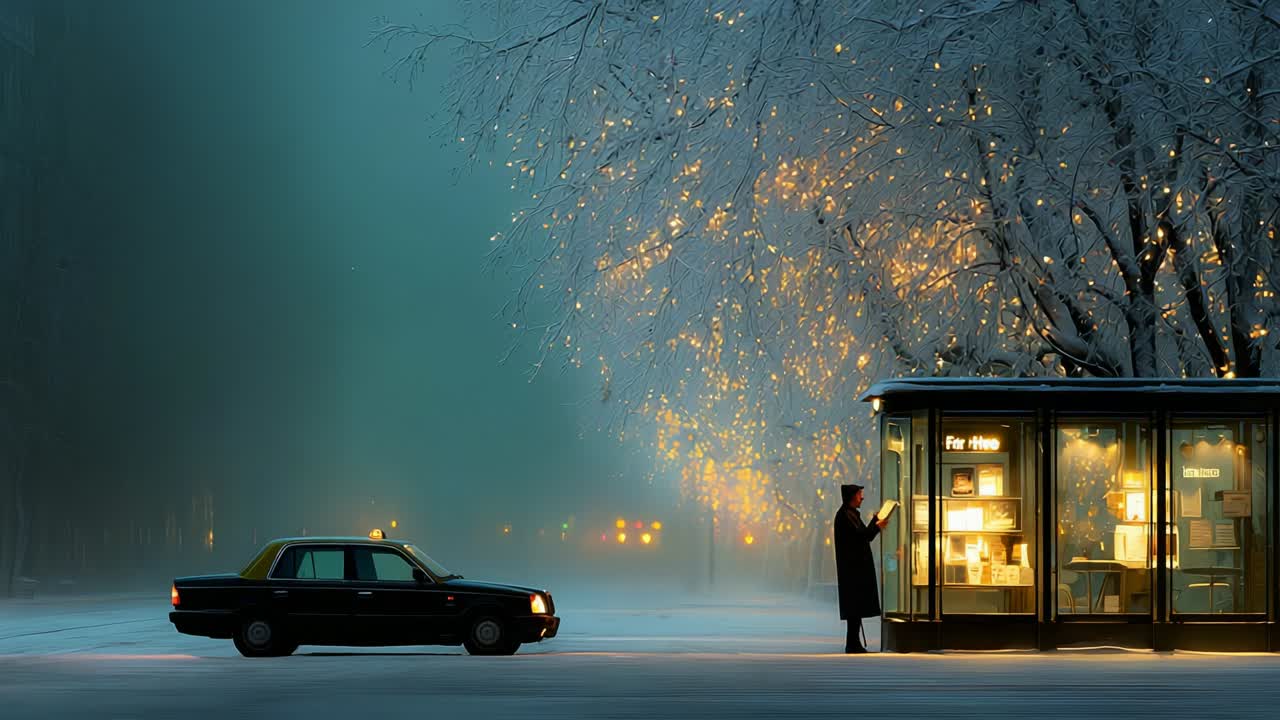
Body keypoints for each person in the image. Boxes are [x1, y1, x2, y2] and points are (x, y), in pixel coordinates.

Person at [833, 483, 889, 653]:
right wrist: (877, 524)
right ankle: (852, 643)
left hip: (853, 568)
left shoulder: (849, 515)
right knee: (854, 607)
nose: (862, 497)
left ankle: (853, 642)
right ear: (852, 497)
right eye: (859, 495)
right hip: (853, 569)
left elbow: (863, 535)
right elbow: (862, 537)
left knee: (855, 608)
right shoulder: (846, 516)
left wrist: (875, 523)